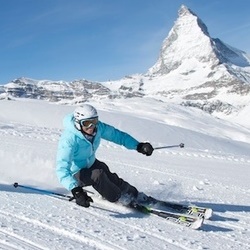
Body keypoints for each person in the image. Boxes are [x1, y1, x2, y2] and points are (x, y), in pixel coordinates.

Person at [56, 104, 154, 208]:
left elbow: (117, 136)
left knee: (105, 170)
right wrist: (76, 190)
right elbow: (61, 169)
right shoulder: (69, 140)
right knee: (98, 175)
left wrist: (138, 145)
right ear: (78, 123)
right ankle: (119, 198)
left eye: (94, 122)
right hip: (75, 173)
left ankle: (134, 194)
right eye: (87, 123)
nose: (91, 127)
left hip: (90, 163)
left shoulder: (98, 128)